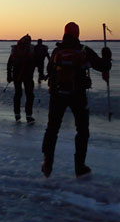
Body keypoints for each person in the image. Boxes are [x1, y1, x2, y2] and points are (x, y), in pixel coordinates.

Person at [41, 22, 112, 178]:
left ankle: (48, 162)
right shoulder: (84, 50)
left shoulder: (57, 51)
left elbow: (49, 70)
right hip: (77, 95)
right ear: (77, 34)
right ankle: (79, 166)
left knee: (52, 129)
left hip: (57, 94)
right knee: (82, 130)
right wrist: (107, 55)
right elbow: (103, 66)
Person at [7, 34, 36, 123]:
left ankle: (18, 114)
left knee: (19, 94)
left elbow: (9, 63)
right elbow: (36, 62)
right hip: (25, 75)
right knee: (28, 95)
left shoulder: (16, 49)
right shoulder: (30, 49)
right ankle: (27, 115)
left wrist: (9, 75)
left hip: (18, 75)